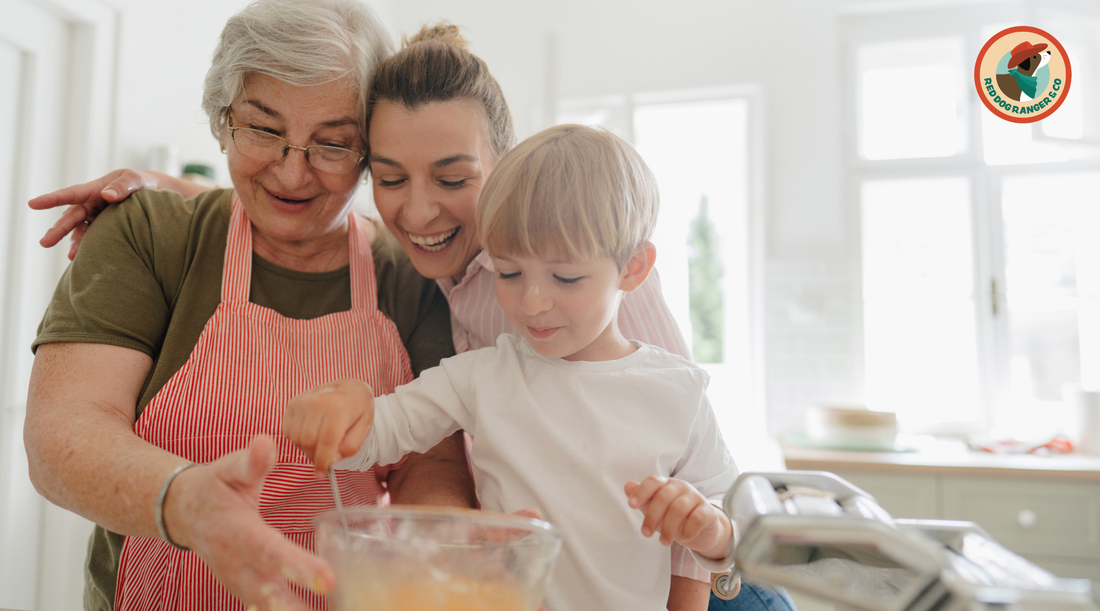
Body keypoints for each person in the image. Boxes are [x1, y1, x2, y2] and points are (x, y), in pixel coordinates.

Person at [31, 22, 796, 611]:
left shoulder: (588, 289)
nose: (420, 210)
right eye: (390, 177)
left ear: (506, 166)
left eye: (454, 177)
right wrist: (168, 189)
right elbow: (406, 419)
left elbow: (678, 470)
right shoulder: (416, 273)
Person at [23, 2, 477, 611]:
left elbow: (433, 467)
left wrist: (439, 556)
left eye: (333, 144)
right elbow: (63, 434)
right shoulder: (151, 234)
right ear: (222, 118)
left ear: (370, 150)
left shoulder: (410, 278)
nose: (292, 173)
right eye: (264, 129)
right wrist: (185, 502)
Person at [286, 124, 738, 611]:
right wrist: (342, 419)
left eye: (565, 276)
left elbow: (737, 529)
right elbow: (381, 432)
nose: (533, 301)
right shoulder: (482, 376)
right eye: (510, 272)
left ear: (633, 267)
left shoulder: (678, 391)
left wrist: (710, 529)